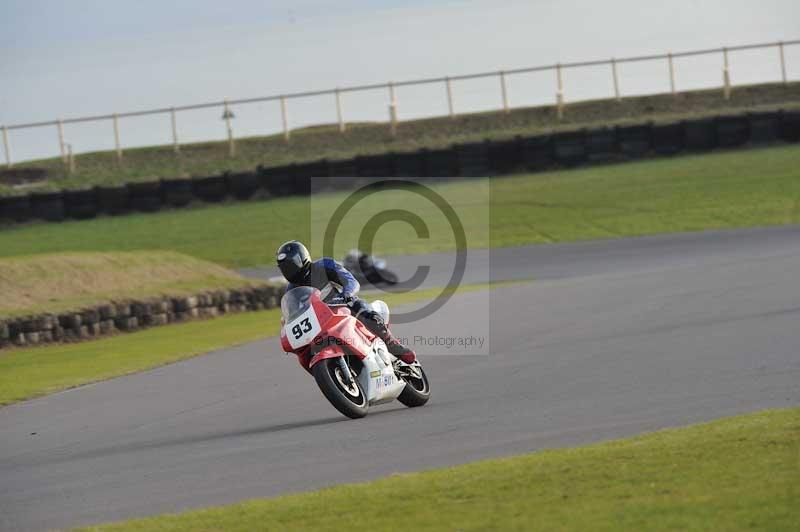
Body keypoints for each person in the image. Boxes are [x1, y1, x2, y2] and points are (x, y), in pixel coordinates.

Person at [276, 240, 417, 364]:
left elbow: (350, 280)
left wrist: (347, 294)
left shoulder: (324, 266)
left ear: (302, 258)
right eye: (285, 268)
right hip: (320, 321)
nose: (289, 271)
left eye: (291, 265)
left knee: (361, 309)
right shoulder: (291, 290)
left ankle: (391, 343)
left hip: (343, 305)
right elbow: (293, 314)